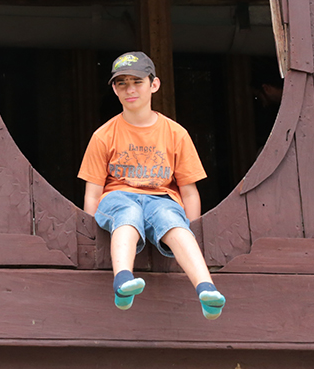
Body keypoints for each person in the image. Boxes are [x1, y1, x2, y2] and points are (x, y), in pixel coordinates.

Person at [77, 51, 226, 319]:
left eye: (137, 81)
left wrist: (193, 228)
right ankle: (123, 281)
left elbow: (189, 192)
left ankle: (206, 289)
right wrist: (91, 238)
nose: (129, 89)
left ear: (154, 84)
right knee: (128, 214)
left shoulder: (175, 133)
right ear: (114, 89)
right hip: (118, 197)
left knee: (173, 220)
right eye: (121, 83)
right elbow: (93, 192)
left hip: (162, 199)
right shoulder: (103, 135)